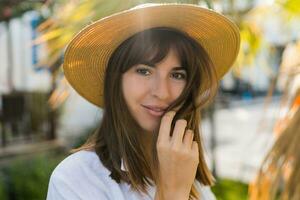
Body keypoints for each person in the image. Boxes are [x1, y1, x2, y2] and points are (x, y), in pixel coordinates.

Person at [46, 3, 240, 200]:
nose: (162, 92)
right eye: (144, 71)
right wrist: (171, 193)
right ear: (116, 81)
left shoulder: (192, 179)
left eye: (177, 75)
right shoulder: (76, 180)